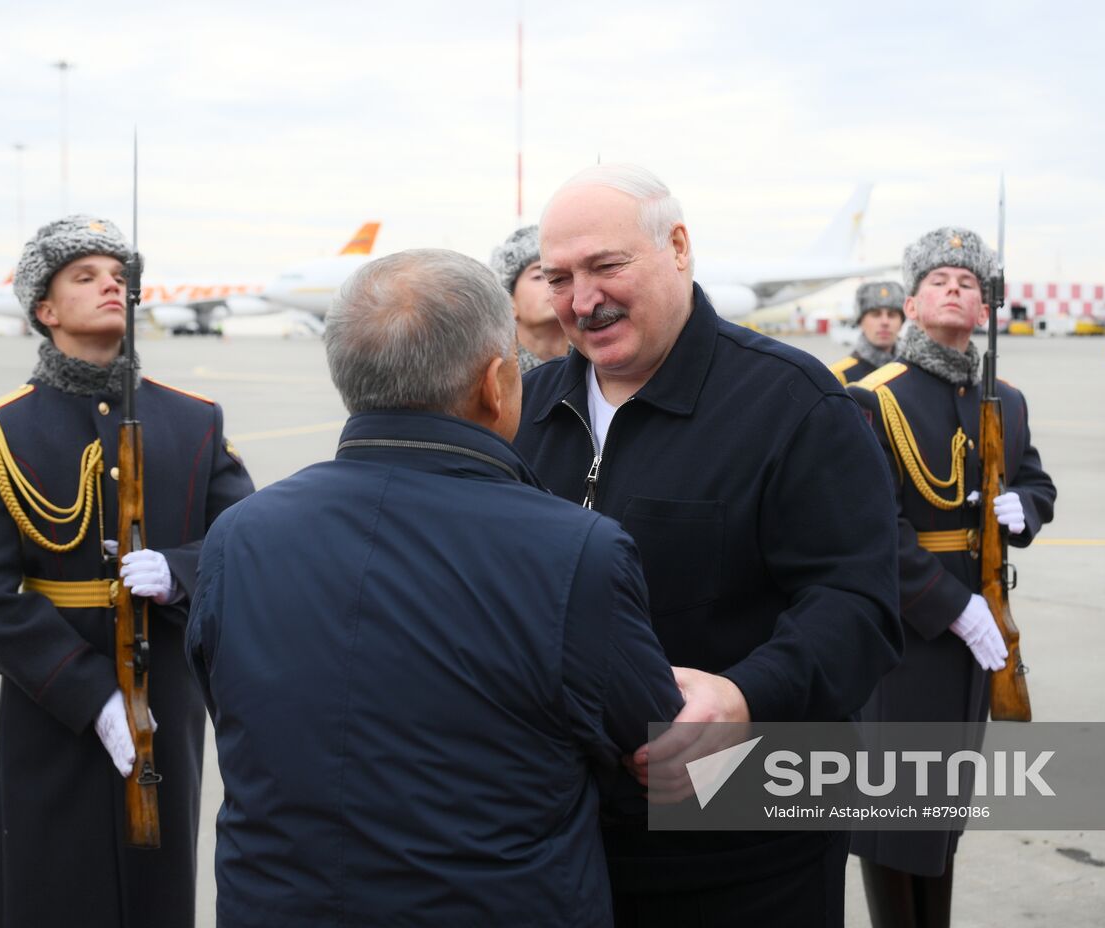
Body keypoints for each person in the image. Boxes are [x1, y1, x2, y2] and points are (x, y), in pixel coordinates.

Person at [186, 248, 684, 928]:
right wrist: (856, 788)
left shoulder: (239, 538)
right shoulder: (573, 551)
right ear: (496, 382)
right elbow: (665, 758)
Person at [516, 163, 902, 926]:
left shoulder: (795, 405)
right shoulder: (521, 414)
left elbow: (858, 606)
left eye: (605, 266)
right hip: (558, 837)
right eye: (558, 277)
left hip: (742, 848)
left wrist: (746, 695)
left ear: (680, 247)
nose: (582, 300)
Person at [0, 215, 254, 928]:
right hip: (50, 700)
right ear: (44, 310)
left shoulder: (195, 420)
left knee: (156, 883)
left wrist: (178, 571)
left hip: (163, 692)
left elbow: (243, 538)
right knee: (52, 882)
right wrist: (90, 695)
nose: (111, 285)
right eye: (85, 276)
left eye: (119, 276)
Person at [846, 227, 1056, 928]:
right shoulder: (874, 397)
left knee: (943, 807)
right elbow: (868, 525)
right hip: (909, 626)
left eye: (969, 283)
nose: (956, 290)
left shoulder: (1008, 400)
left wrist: (1022, 507)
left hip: (980, 619)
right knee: (895, 810)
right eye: (940, 280)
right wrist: (948, 604)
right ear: (910, 302)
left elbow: (1037, 482)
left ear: (986, 308)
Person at [491, 223, 569, 371]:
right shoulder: (498, 374)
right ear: (510, 301)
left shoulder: (599, 368)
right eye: (539, 276)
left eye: (562, 275)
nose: (553, 282)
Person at [831, 280, 906, 385]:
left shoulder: (913, 371)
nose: (885, 322)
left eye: (892, 314)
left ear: (902, 322)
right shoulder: (838, 377)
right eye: (876, 314)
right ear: (860, 321)